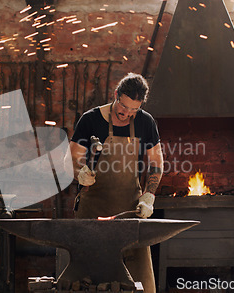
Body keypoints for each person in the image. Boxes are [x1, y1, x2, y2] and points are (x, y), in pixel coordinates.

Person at [67, 72, 163, 292]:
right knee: (86, 282)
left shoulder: (145, 122)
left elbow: (156, 161)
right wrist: (80, 173)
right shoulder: (91, 120)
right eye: (123, 107)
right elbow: (72, 158)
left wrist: (149, 195)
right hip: (93, 212)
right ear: (116, 95)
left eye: (134, 110)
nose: (127, 114)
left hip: (129, 214)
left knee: (140, 284)